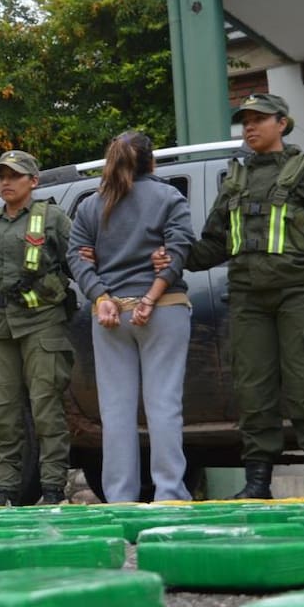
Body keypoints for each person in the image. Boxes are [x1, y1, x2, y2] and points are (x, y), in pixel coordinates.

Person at [180, 93, 304, 498]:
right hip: (248, 299)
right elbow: (213, 244)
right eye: (245, 120)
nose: (250, 126)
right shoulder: (235, 179)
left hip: (300, 295)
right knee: (253, 390)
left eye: (259, 119)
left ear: (282, 123)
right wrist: (174, 255)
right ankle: (257, 484)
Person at [68, 132, 195, 503]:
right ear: (151, 162)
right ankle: (169, 494)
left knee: (116, 412)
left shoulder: (92, 205)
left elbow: (77, 255)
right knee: (164, 405)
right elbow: (181, 248)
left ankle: (120, 499)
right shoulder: (169, 198)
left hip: (109, 315)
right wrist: (151, 298)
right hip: (163, 310)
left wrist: (101, 297)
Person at [0, 150, 75, 506]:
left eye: (14, 175)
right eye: (1, 176)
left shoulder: (53, 218)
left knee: (46, 411)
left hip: (42, 324)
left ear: (33, 181)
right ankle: (6, 491)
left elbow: (80, 265)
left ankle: (54, 488)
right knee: (4, 414)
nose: (6, 182)